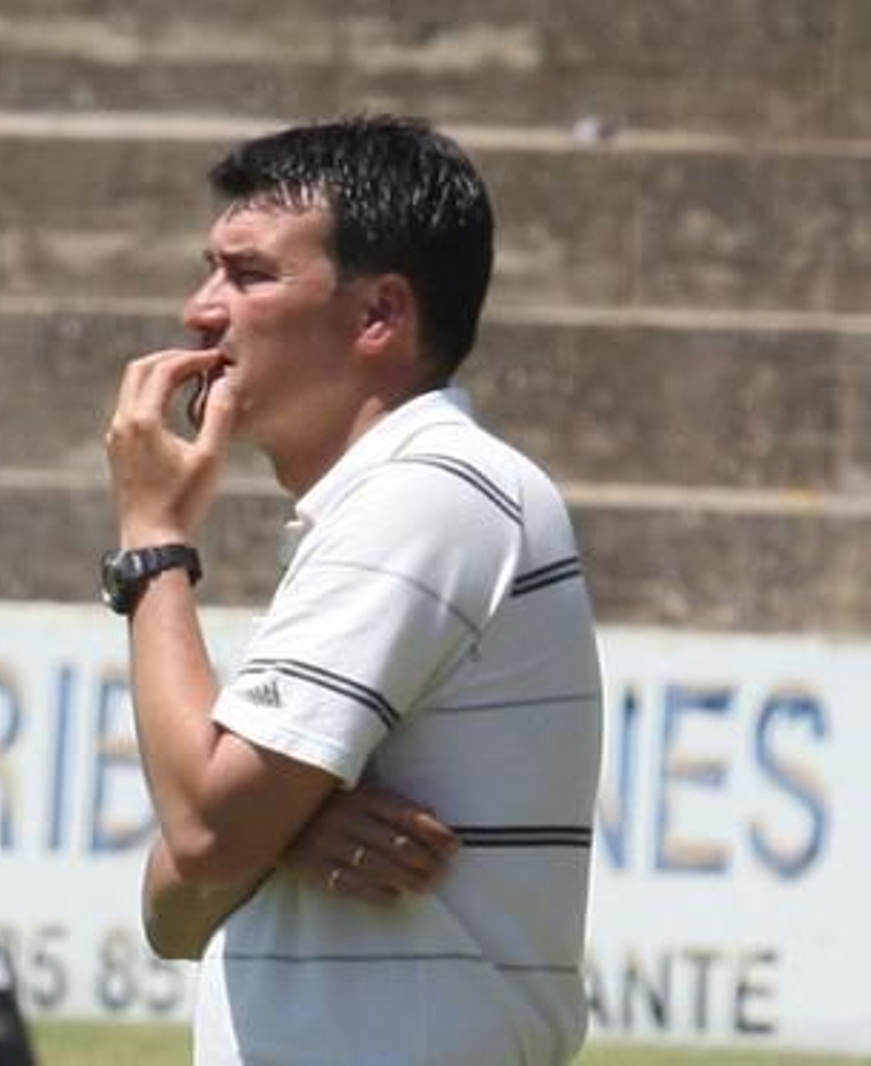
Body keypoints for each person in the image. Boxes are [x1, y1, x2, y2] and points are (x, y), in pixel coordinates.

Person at [102, 116, 603, 1064]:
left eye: (249, 274)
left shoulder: (427, 496)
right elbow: (171, 913)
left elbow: (202, 838)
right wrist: (282, 829)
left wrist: (153, 542)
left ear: (379, 315)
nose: (199, 309)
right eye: (211, 268)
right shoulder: (399, 498)